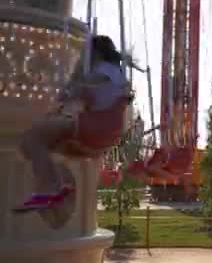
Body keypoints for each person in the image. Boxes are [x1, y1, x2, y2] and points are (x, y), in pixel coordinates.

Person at [15, 35, 129, 212]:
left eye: (85, 53)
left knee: (32, 138)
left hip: (95, 127)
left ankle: (49, 191)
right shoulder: (117, 73)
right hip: (108, 132)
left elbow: (67, 95)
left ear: (94, 54)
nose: (83, 56)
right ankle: (58, 186)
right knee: (44, 145)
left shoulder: (102, 71)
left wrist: (75, 74)